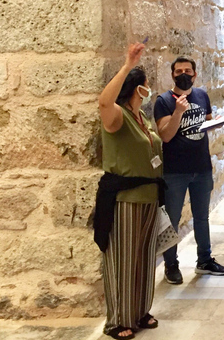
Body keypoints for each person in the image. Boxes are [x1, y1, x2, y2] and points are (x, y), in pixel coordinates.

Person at [97, 43, 162, 339]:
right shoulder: (119, 117)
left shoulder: (143, 119)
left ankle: (139, 310)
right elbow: (103, 103)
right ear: (137, 88)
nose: (149, 89)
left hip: (149, 196)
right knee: (122, 259)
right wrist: (126, 66)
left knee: (145, 258)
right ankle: (119, 319)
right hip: (125, 199)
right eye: (147, 85)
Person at [154, 56, 224, 285]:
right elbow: (165, 135)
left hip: (201, 167)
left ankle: (204, 260)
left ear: (195, 74)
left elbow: (206, 119)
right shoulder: (164, 101)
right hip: (175, 171)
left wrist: (216, 120)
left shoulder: (201, 95)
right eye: (179, 71)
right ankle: (171, 265)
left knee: (202, 217)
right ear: (173, 75)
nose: (183, 74)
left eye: (188, 70)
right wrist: (178, 111)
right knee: (173, 220)